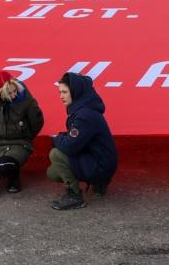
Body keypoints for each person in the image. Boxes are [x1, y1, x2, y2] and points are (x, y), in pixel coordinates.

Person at [47, 72, 118, 210]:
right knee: (53, 172)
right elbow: (77, 140)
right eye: (60, 92)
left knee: (56, 154)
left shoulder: (84, 115)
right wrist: (62, 138)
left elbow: (70, 147)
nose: (61, 96)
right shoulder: (84, 109)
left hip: (101, 166)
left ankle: (75, 196)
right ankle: (100, 183)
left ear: (75, 91)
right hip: (102, 161)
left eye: (64, 92)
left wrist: (56, 139)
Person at [0, 70, 44, 198]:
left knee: (4, 165)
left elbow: (37, 122)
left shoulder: (25, 98)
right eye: (9, 92)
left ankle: (13, 179)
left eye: (14, 90)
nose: (13, 95)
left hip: (16, 143)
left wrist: (26, 136)